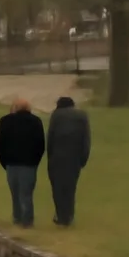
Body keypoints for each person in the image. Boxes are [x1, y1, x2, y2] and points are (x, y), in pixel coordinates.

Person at [0, 98, 46, 228]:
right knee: (26, 193)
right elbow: (41, 144)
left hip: (11, 163)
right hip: (29, 164)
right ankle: (27, 221)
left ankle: (17, 218)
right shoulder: (36, 122)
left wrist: (4, 161)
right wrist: (35, 161)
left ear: (14, 108)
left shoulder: (5, 121)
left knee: (15, 192)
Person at [46, 96, 91, 227]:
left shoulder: (56, 115)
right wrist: (83, 158)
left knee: (58, 187)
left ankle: (61, 215)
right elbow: (86, 139)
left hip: (58, 157)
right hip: (74, 157)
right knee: (70, 187)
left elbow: (51, 137)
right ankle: (69, 215)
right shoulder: (82, 116)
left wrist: (49, 156)